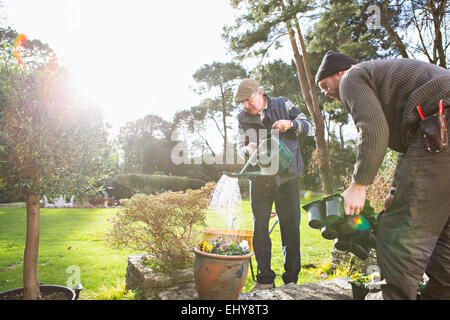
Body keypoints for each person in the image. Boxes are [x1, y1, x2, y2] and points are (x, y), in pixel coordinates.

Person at [315, 51, 450, 299]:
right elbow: (409, 146)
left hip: (441, 127)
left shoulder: (352, 77)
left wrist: (358, 185)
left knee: (399, 232)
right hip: (435, 132)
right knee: (445, 241)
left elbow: (372, 130)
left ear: (340, 72)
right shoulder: (387, 82)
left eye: (325, 84)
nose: (325, 92)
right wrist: (395, 191)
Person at [234, 79, 313, 291]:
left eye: (248, 100)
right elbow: (240, 148)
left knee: (291, 228)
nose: (246, 106)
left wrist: (291, 124)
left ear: (260, 93)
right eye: (242, 102)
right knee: (260, 227)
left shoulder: (283, 105)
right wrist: (248, 149)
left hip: (288, 177)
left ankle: (291, 281)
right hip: (260, 179)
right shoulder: (241, 118)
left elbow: (309, 127)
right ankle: (265, 279)